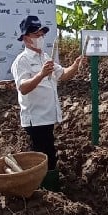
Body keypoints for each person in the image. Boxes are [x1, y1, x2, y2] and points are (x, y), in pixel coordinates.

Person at [11, 15, 84, 191]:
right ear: (26, 38)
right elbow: (23, 88)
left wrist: (74, 66)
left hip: (48, 116)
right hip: (35, 118)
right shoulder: (22, 61)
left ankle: (47, 188)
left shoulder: (45, 57)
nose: (40, 37)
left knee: (48, 154)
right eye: (36, 34)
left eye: (42, 33)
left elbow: (63, 74)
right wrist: (41, 74)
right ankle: (44, 190)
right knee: (43, 156)